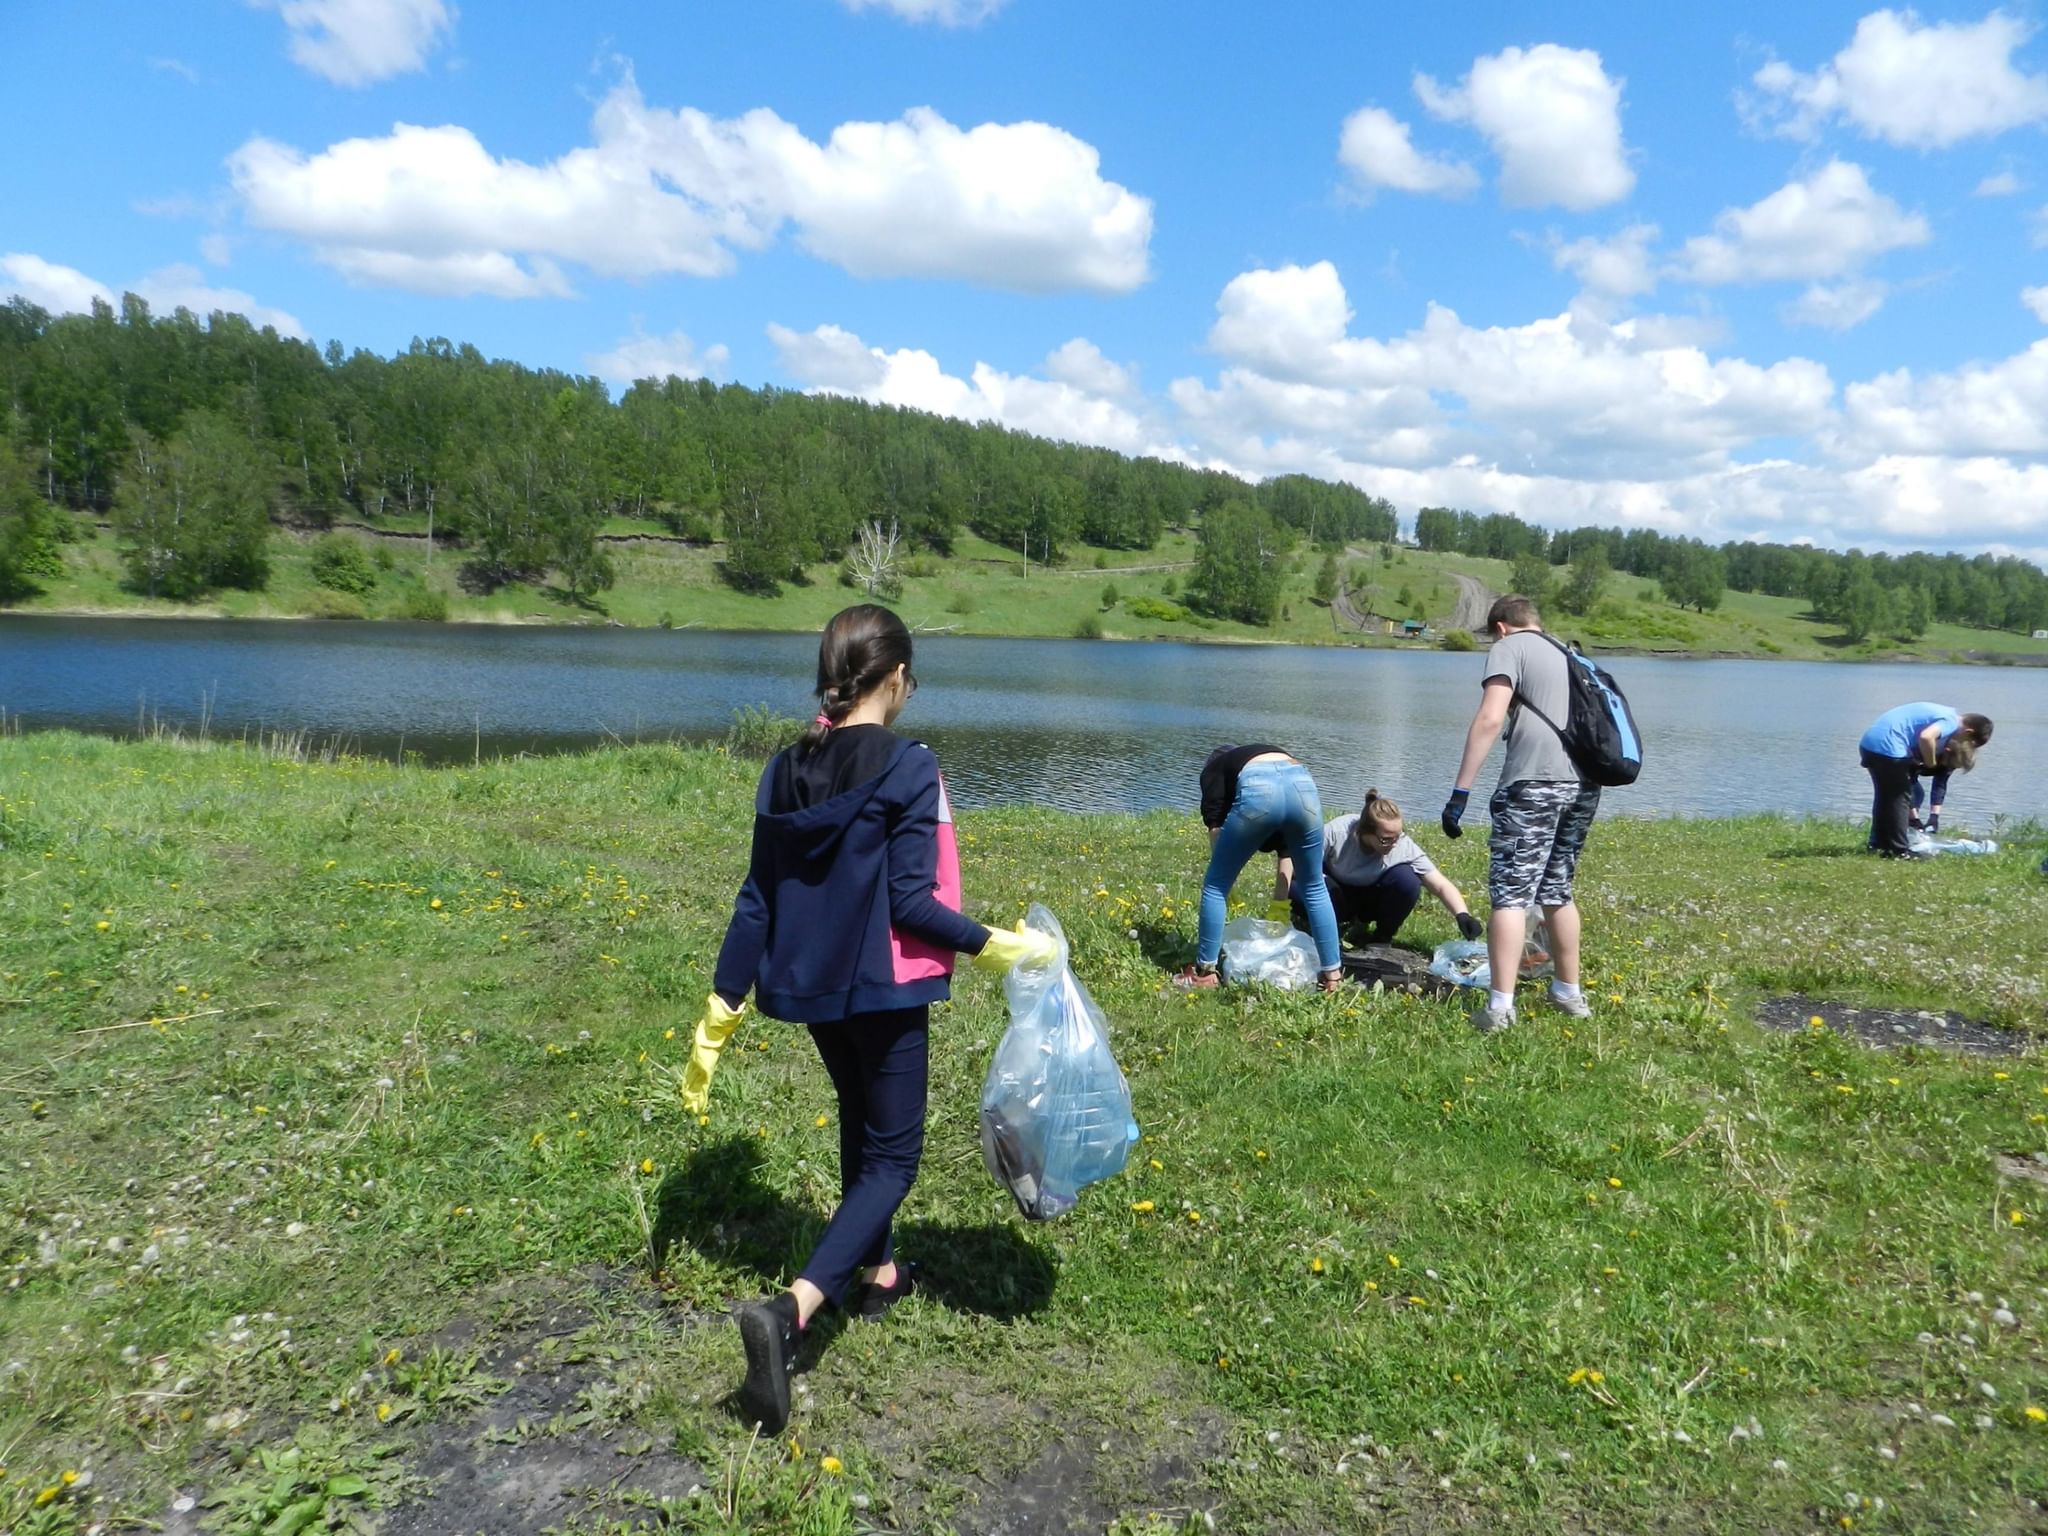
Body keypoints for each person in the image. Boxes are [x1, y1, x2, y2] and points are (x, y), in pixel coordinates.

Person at [682, 604, 1057, 1436]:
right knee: (893, 1160)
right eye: (910, 680)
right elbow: (912, 904)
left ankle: (879, 1268)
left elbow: (757, 899)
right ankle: (791, 1312)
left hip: (811, 988)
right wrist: (995, 945)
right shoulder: (907, 765)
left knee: (859, 1120)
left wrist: (723, 1002)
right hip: (885, 990)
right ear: (894, 678)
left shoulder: (783, 768)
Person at [1440, 595, 1598, 1033]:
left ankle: (1499, 1010)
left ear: (1501, 626)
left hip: (1534, 783)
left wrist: (1460, 791)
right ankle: (1568, 994)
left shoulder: (1510, 647)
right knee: (1557, 889)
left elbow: (1490, 718)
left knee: (1511, 893)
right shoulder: (1569, 653)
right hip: (1584, 785)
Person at [1175, 745, 1344, 992]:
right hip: (1302, 783)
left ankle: (1204, 975)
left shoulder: (1213, 770)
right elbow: (1287, 847)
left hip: (1259, 789)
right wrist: (1279, 901)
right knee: (1315, 886)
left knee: (1215, 885)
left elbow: (1216, 829)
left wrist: (1225, 882)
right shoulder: (1265, 754)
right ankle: (1333, 977)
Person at [1296, 789, 1483, 947]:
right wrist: (1321, 882)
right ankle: (1325, 928)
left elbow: (1440, 884)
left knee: (1407, 881)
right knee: (1294, 888)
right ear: (1364, 832)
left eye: (1397, 836)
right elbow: (1299, 866)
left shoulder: (1401, 844)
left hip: (1369, 899)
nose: (1394, 844)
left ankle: (1381, 938)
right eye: (1386, 839)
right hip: (1332, 891)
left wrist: (1463, 916)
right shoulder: (1337, 831)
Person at [1858, 703, 1993, 857]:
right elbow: (1926, 736)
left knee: (1886, 799)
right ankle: (1899, 851)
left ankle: (1877, 844)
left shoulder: (1944, 713)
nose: (1965, 744)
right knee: (1900, 799)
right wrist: (1931, 762)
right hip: (1889, 749)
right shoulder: (1950, 722)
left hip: (1870, 745)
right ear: (1968, 731)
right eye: (1969, 742)